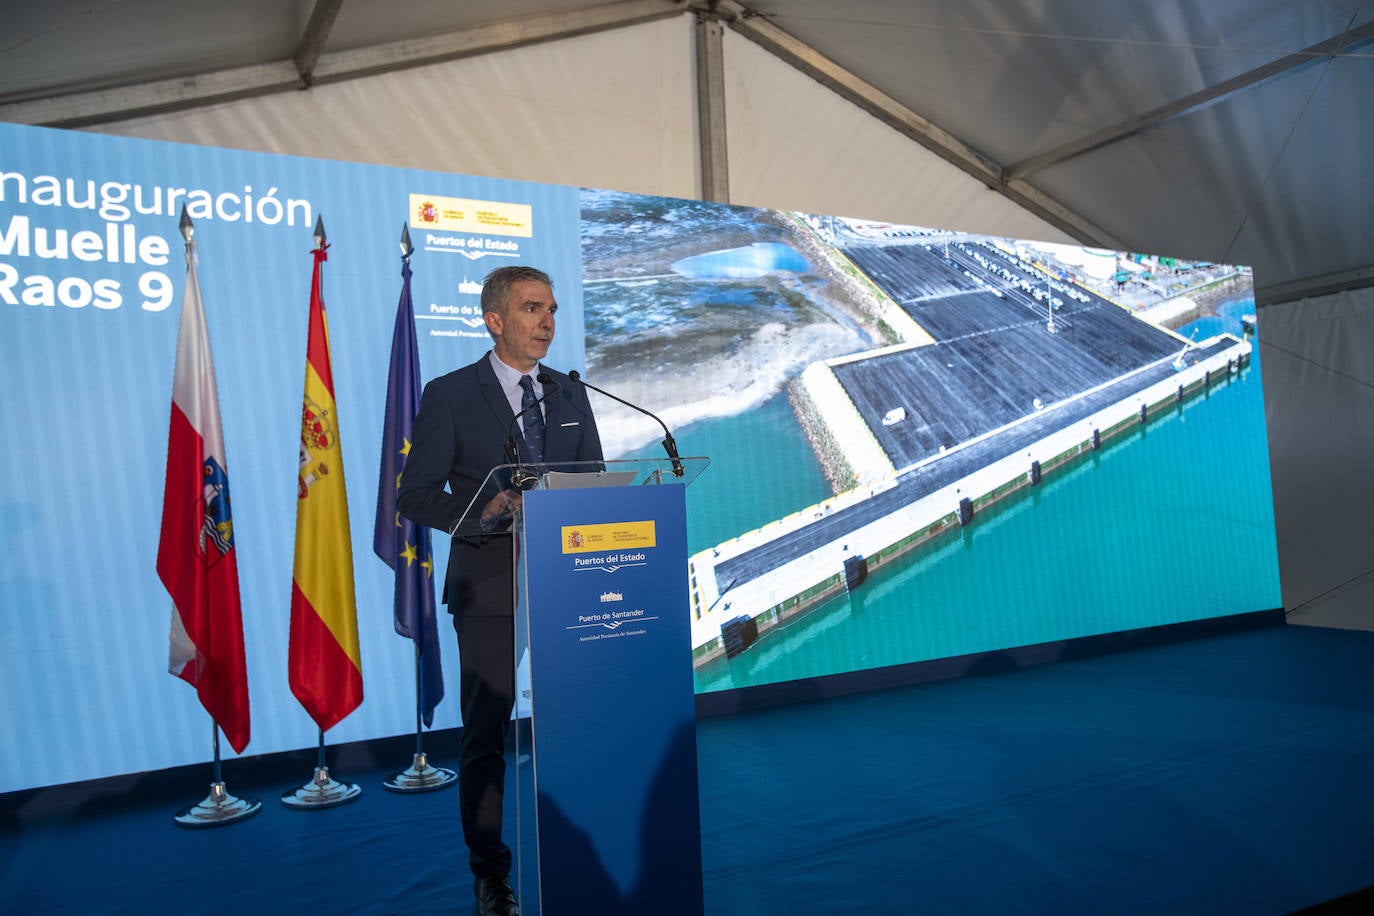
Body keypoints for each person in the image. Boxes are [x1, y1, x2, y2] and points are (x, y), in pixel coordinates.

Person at [398, 265, 603, 916]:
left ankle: (590, 851)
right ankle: (491, 876)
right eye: (532, 309)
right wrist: (487, 510)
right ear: (495, 320)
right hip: (489, 583)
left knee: (580, 721)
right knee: (487, 733)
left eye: (552, 309)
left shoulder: (571, 394)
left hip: (570, 578)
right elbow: (415, 494)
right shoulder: (451, 394)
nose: (547, 321)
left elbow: (593, 480)